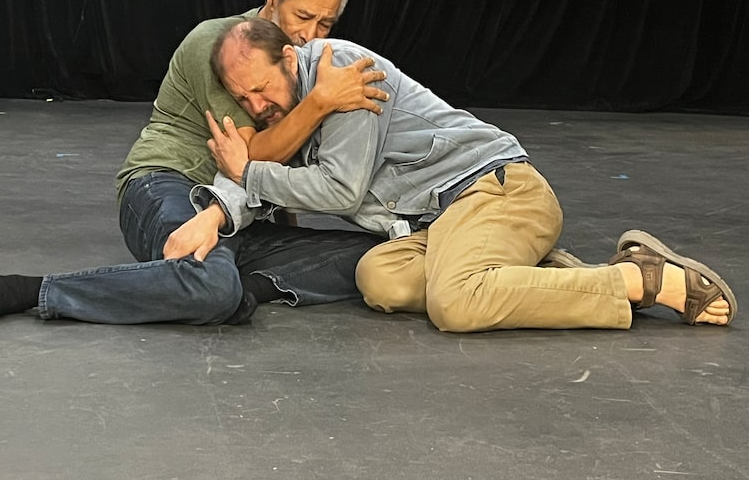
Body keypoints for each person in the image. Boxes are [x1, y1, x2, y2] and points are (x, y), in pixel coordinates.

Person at [188, 17, 737, 332]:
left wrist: (252, 175)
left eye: (261, 89)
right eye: (243, 98)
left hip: (495, 190)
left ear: (289, 56)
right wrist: (219, 209)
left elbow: (340, 188)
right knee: (380, 279)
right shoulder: (295, 103)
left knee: (456, 304)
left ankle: (638, 278)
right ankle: (529, 271)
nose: (257, 105)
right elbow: (260, 164)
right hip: (441, 223)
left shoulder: (343, 72)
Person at [0, 0, 388, 332]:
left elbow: (271, 175)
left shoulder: (303, 65)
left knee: (374, 258)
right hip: (166, 184)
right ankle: (30, 291)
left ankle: (252, 287)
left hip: (238, 215)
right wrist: (321, 102)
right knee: (211, 287)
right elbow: (251, 155)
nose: (310, 35)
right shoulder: (225, 46)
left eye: (325, 24)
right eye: (303, 16)